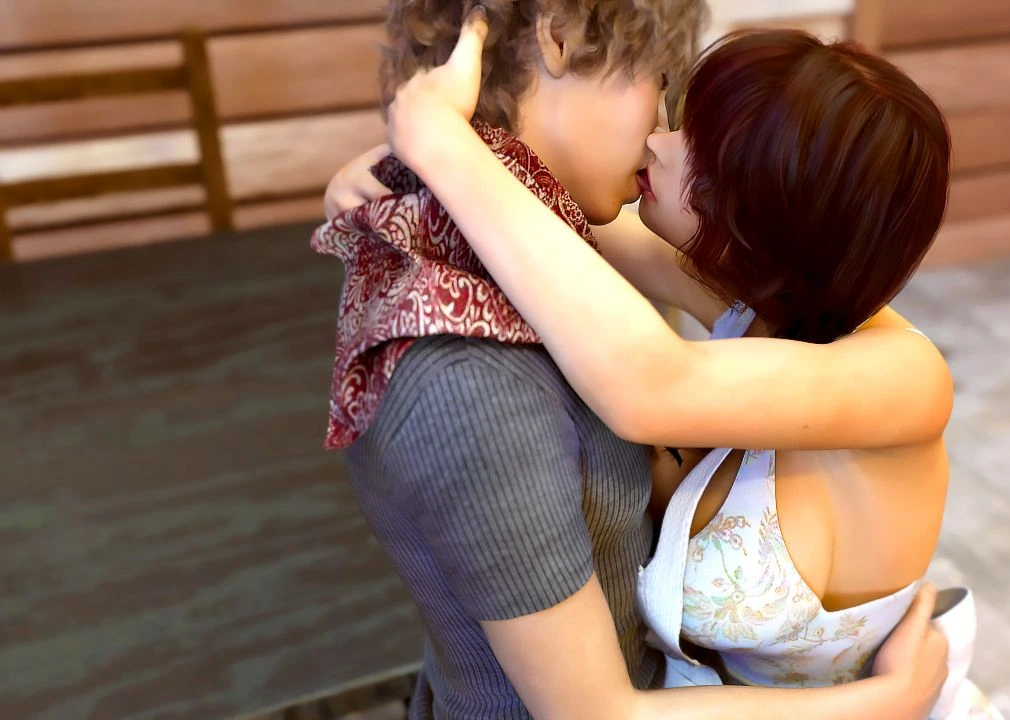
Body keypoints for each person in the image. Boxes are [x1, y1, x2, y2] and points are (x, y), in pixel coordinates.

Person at [313, 1, 950, 719]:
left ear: (772, 208)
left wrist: (440, 146)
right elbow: (539, 218)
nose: (660, 141)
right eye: (670, 99)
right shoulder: (753, 306)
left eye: (705, 151)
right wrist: (402, 170)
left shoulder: (906, 377)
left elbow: (648, 385)